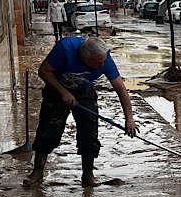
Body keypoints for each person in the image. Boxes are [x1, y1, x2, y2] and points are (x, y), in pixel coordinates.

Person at [24, 36, 137, 187]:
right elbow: (44, 71)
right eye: (97, 63)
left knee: (89, 133)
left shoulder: (105, 60)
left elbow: (121, 89)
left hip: (84, 90)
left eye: (103, 61)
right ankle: (37, 172)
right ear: (83, 58)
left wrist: (129, 118)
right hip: (56, 88)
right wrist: (64, 93)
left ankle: (88, 175)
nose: (102, 65)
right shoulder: (64, 48)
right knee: (48, 131)